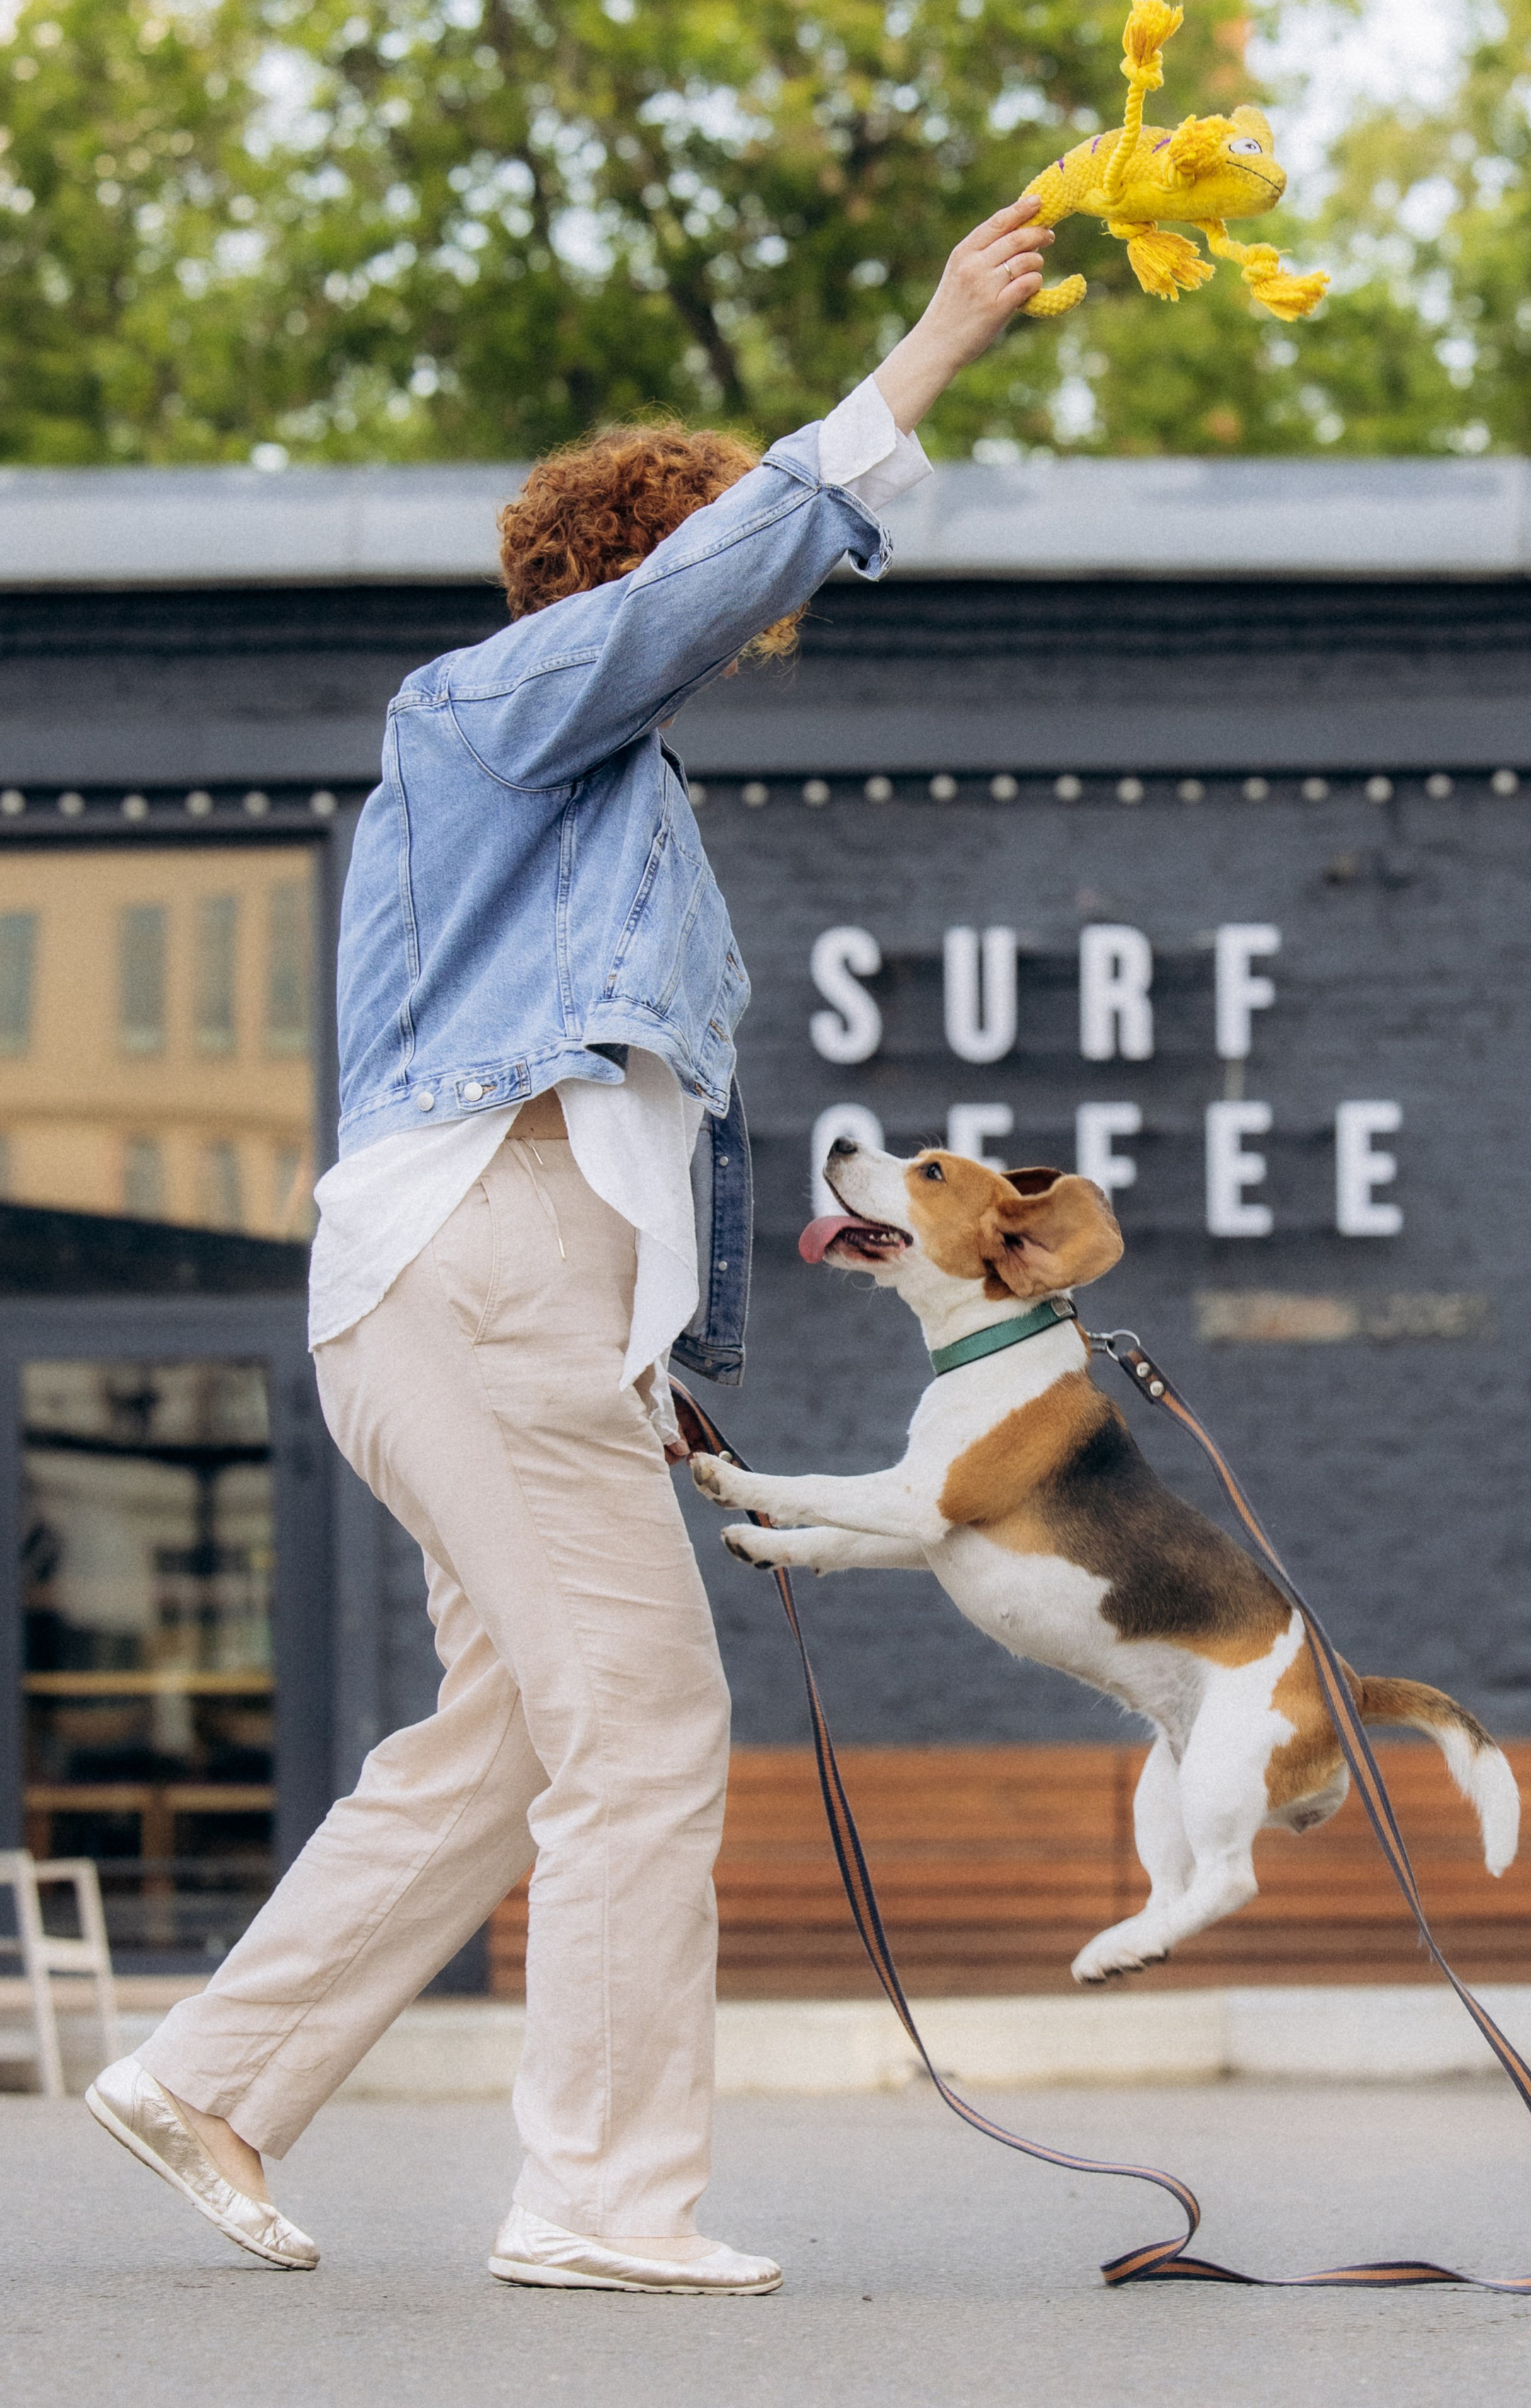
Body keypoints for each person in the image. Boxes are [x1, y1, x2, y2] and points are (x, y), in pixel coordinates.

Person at [84, 197, 1056, 2294]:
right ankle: (602, 2199)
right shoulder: (492, 704)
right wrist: (924, 354)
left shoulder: (588, 791)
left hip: (496, 1292)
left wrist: (653, 1337)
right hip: (480, 1257)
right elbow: (705, 591)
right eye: (701, 584)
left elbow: (626, 1122)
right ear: (630, 574)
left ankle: (213, 2069)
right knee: (648, 1718)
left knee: (516, 1724)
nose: (734, 628)